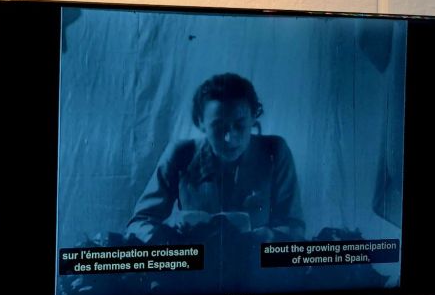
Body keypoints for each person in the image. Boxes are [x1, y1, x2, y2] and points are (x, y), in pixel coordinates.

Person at [126, 73, 304, 245]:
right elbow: (140, 222)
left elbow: (294, 227)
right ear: (200, 122)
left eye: (239, 125)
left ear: (253, 118)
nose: (229, 138)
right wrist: (167, 234)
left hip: (254, 261)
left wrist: (266, 238)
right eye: (218, 127)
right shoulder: (181, 154)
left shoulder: (274, 152)